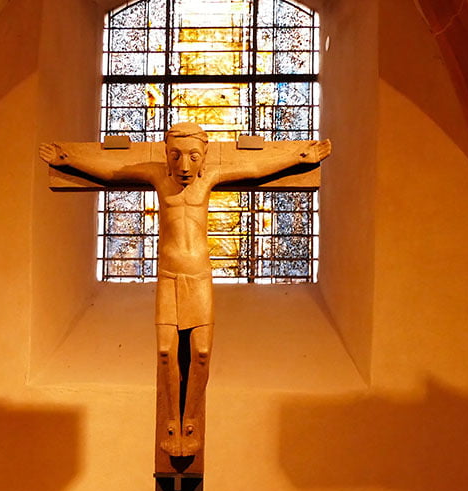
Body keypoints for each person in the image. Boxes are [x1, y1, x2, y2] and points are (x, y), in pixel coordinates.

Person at [40, 123, 331, 456]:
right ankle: (171, 421)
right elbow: (111, 172)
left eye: (193, 157)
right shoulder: (157, 176)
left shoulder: (209, 178)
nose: (184, 165)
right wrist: (69, 160)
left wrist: (298, 157)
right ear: (166, 155)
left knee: (202, 353)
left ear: (204, 156)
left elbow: (254, 168)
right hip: (168, 275)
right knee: (165, 352)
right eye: (175, 156)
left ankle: (190, 418)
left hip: (199, 276)